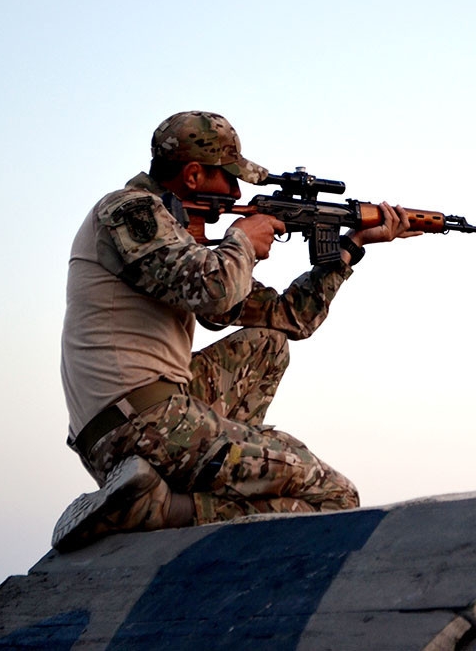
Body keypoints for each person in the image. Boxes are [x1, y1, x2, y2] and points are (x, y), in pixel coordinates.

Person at [53, 111, 420, 551]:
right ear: (193, 175)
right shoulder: (130, 210)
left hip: (153, 411)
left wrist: (351, 247)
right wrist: (243, 239)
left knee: (268, 345)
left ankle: (208, 475)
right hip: (136, 424)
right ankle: (164, 510)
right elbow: (214, 292)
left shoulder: (177, 239)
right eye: (228, 178)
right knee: (334, 495)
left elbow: (289, 317)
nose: (237, 192)